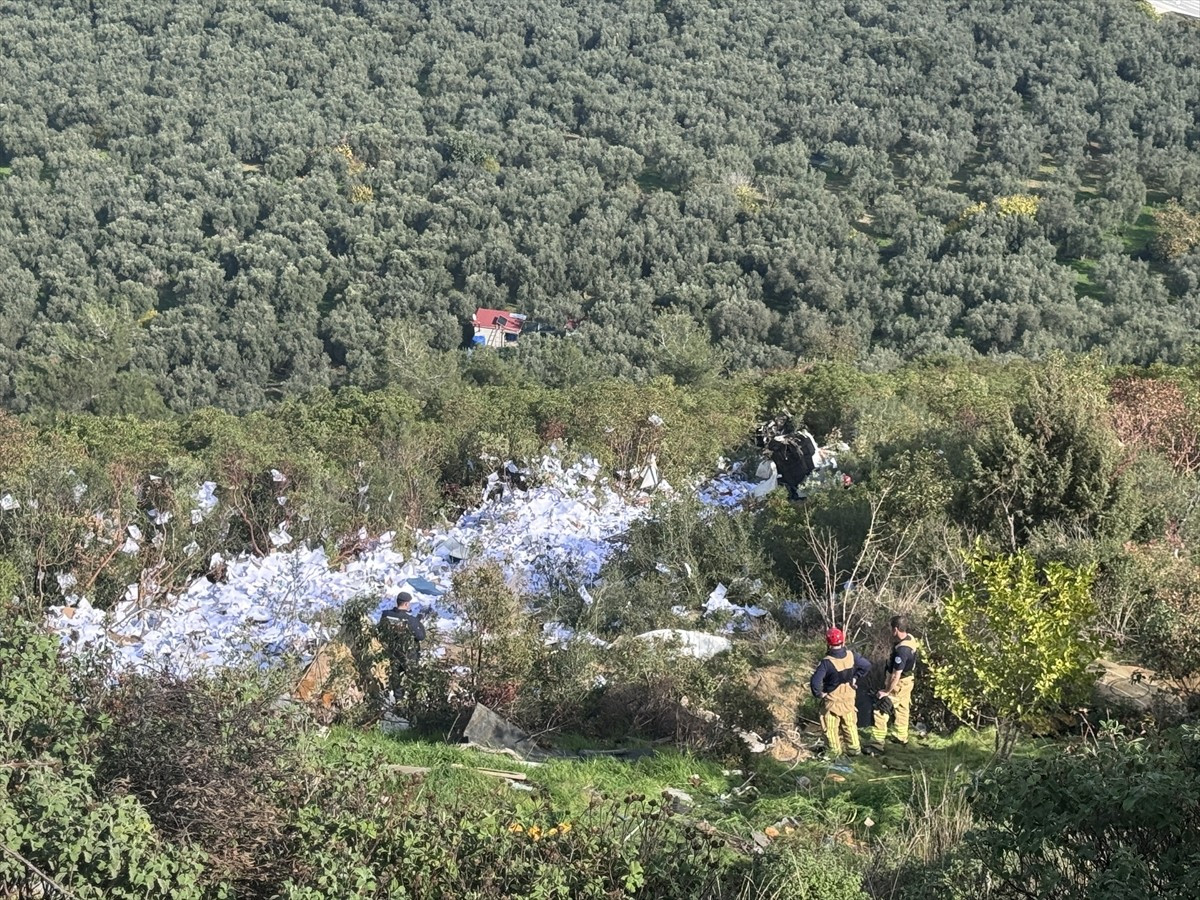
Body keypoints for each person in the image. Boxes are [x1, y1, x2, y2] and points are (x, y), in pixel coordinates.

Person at [810, 627, 871, 758]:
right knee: (850, 726)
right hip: (849, 701)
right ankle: (855, 751)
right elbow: (866, 665)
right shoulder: (851, 655)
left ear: (828, 643)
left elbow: (815, 682)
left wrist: (819, 694)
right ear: (843, 641)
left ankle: (834, 753)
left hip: (832, 703)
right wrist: (855, 677)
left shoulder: (826, 663)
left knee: (830, 729)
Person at [865, 615, 921, 755]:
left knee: (880, 710)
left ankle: (876, 744)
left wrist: (886, 691)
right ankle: (901, 737)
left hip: (899, 683)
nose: (891, 631)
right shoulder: (910, 639)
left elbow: (896, 675)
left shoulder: (902, 650)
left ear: (895, 629)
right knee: (902, 708)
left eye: (891, 628)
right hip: (908, 681)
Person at [378, 590, 426, 706]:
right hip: (408, 656)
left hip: (393, 653)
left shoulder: (386, 614)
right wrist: (419, 623)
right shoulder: (410, 620)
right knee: (413, 679)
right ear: (406, 604)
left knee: (396, 679)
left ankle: (398, 701)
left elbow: (380, 630)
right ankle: (413, 703)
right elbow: (420, 636)